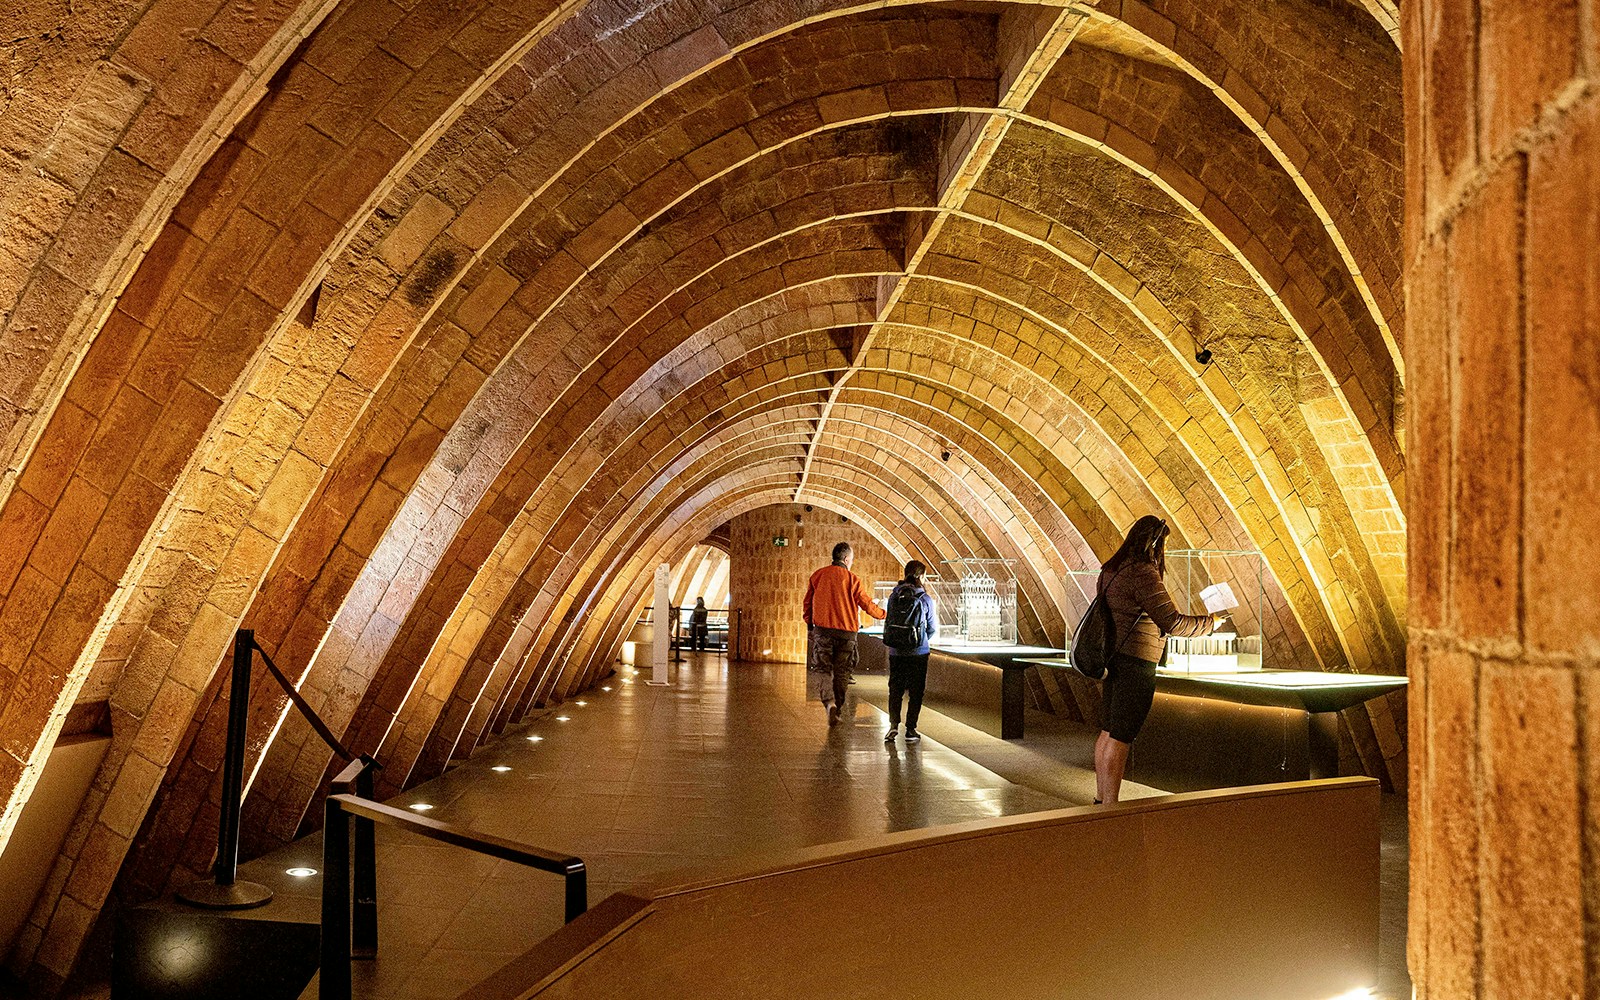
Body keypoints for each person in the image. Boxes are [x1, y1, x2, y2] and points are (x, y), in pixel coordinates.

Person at [1094, 514, 1227, 804]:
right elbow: (1172, 622)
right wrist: (1210, 623)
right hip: (1137, 662)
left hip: (1114, 659)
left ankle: (1101, 799)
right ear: (1153, 542)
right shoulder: (1142, 573)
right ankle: (1111, 805)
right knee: (1122, 734)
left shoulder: (1110, 570)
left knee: (1108, 729)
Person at [803, 541, 887, 726]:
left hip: (823, 632)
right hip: (846, 634)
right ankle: (838, 709)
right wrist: (884, 615)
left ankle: (830, 704)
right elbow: (865, 603)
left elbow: (807, 603)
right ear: (847, 559)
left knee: (823, 669)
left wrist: (810, 625)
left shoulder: (817, 576)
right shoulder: (852, 579)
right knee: (842, 672)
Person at [883, 560, 937, 745]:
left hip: (896, 651)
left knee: (895, 689)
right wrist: (919, 641)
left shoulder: (893, 596)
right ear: (921, 576)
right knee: (916, 690)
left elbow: (888, 620)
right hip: (918, 652)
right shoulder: (925, 599)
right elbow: (932, 628)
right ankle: (911, 729)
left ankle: (893, 726)